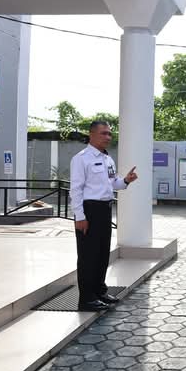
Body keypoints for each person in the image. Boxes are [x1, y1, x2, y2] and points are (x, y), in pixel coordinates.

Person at [70, 121, 138, 311]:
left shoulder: (108, 159)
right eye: (104, 133)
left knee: (101, 254)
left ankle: (99, 292)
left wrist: (126, 180)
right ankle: (86, 299)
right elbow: (75, 189)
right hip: (89, 210)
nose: (108, 137)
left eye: (109, 133)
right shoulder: (81, 159)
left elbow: (113, 184)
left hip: (104, 210)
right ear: (91, 135)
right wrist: (80, 216)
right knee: (88, 256)